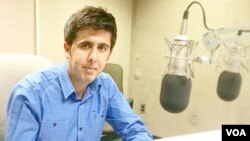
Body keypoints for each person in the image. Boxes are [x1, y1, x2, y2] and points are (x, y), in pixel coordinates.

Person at [5, 6, 153, 141]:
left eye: (102, 48)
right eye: (85, 45)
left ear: (109, 54)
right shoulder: (30, 94)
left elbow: (135, 129)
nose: (93, 57)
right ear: (67, 49)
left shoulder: (106, 85)